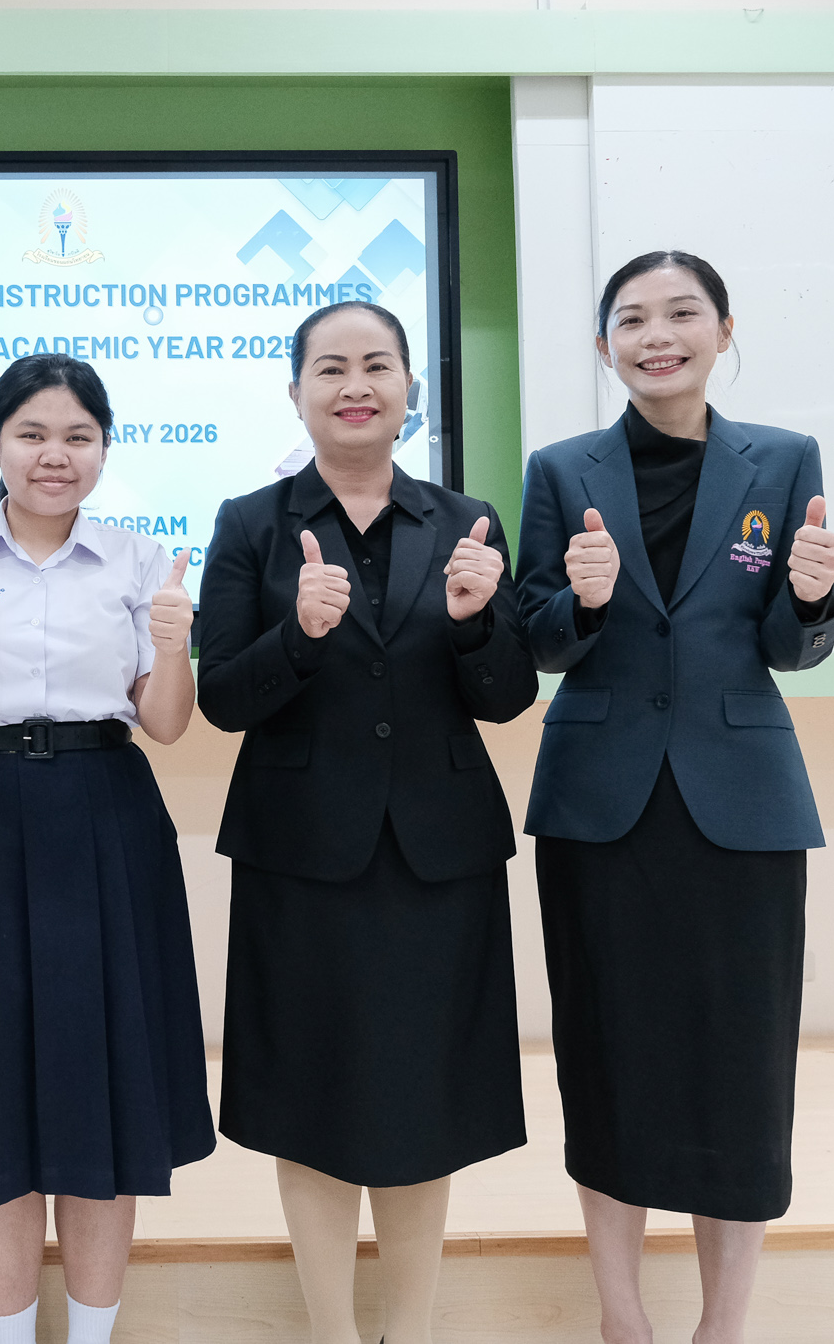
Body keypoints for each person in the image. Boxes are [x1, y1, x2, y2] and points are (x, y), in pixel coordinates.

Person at [515, 251, 834, 1344]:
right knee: (608, 1058)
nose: (656, 336)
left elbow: (788, 645)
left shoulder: (781, 459)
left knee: (739, 1070)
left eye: (680, 314)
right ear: (602, 344)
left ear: (722, 330)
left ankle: (722, 1327)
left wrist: (814, 597)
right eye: (631, 319)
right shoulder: (560, 469)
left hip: (741, 804)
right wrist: (581, 604)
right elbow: (533, 637)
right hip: (599, 805)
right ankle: (623, 1319)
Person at [198, 302, 538, 1344]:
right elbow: (223, 698)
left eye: (378, 365)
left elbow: (506, 696)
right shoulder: (250, 523)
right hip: (300, 854)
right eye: (331, 368)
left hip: (438, 856)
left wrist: (477, 624)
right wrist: (299, 637)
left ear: (409, 389)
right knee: (309, 1101)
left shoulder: (466, 519)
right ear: (295, 392)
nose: (356, 385)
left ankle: (412, 1330)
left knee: (425, 1102)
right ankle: (333, 1333)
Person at [0, 352, 215, 1344]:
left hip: (108, 815)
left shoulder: (141, 563)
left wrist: (173, 643)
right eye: (30, 434)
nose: (53, 455)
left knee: (104, 1092)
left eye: (76, 436)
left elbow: (166, 724)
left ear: (104, 449)